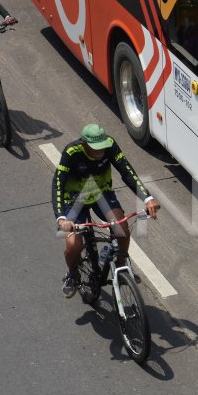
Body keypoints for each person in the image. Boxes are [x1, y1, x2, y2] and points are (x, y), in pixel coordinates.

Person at [53, 124, 160, 298]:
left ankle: (121, 267)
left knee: (122, 230)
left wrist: (148, 198)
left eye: (102, 147)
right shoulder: (71, 152)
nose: (100, 151)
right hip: (73, 199)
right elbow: (57, 185)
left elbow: (127, 171)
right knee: (74, 245)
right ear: (83, 143)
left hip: (100, 193)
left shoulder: (109, 144)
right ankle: (73, 274)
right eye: (96, 148)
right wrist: (62, 219)